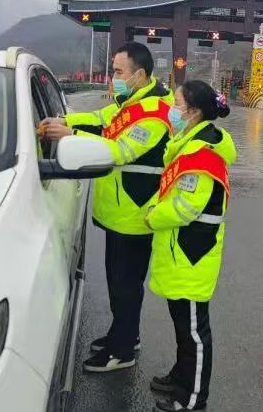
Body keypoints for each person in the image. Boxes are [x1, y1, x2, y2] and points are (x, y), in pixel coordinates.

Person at [40, 42, 174, 372]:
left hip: (134, 213)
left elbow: (121, 151)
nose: (113, 78)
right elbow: (101, 119)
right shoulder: (132, 102)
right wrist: (66, 120)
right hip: (120, 210)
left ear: (139, 75)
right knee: (119, 283)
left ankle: (122, 351)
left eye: (118, 72)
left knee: (125, 286)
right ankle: (125, 335)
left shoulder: (155, 113)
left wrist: (70, 134)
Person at [143, 80, 237, 411]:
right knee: (183, 325)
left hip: (192, 254)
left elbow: (185, 207)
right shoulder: (188, 144)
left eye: (176, 104)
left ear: (193, 112)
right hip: (182, 252)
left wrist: (152, 217)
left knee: (195, 332)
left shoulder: (202, 154)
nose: (172, 109)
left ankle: (194, 398)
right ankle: (181, 377)